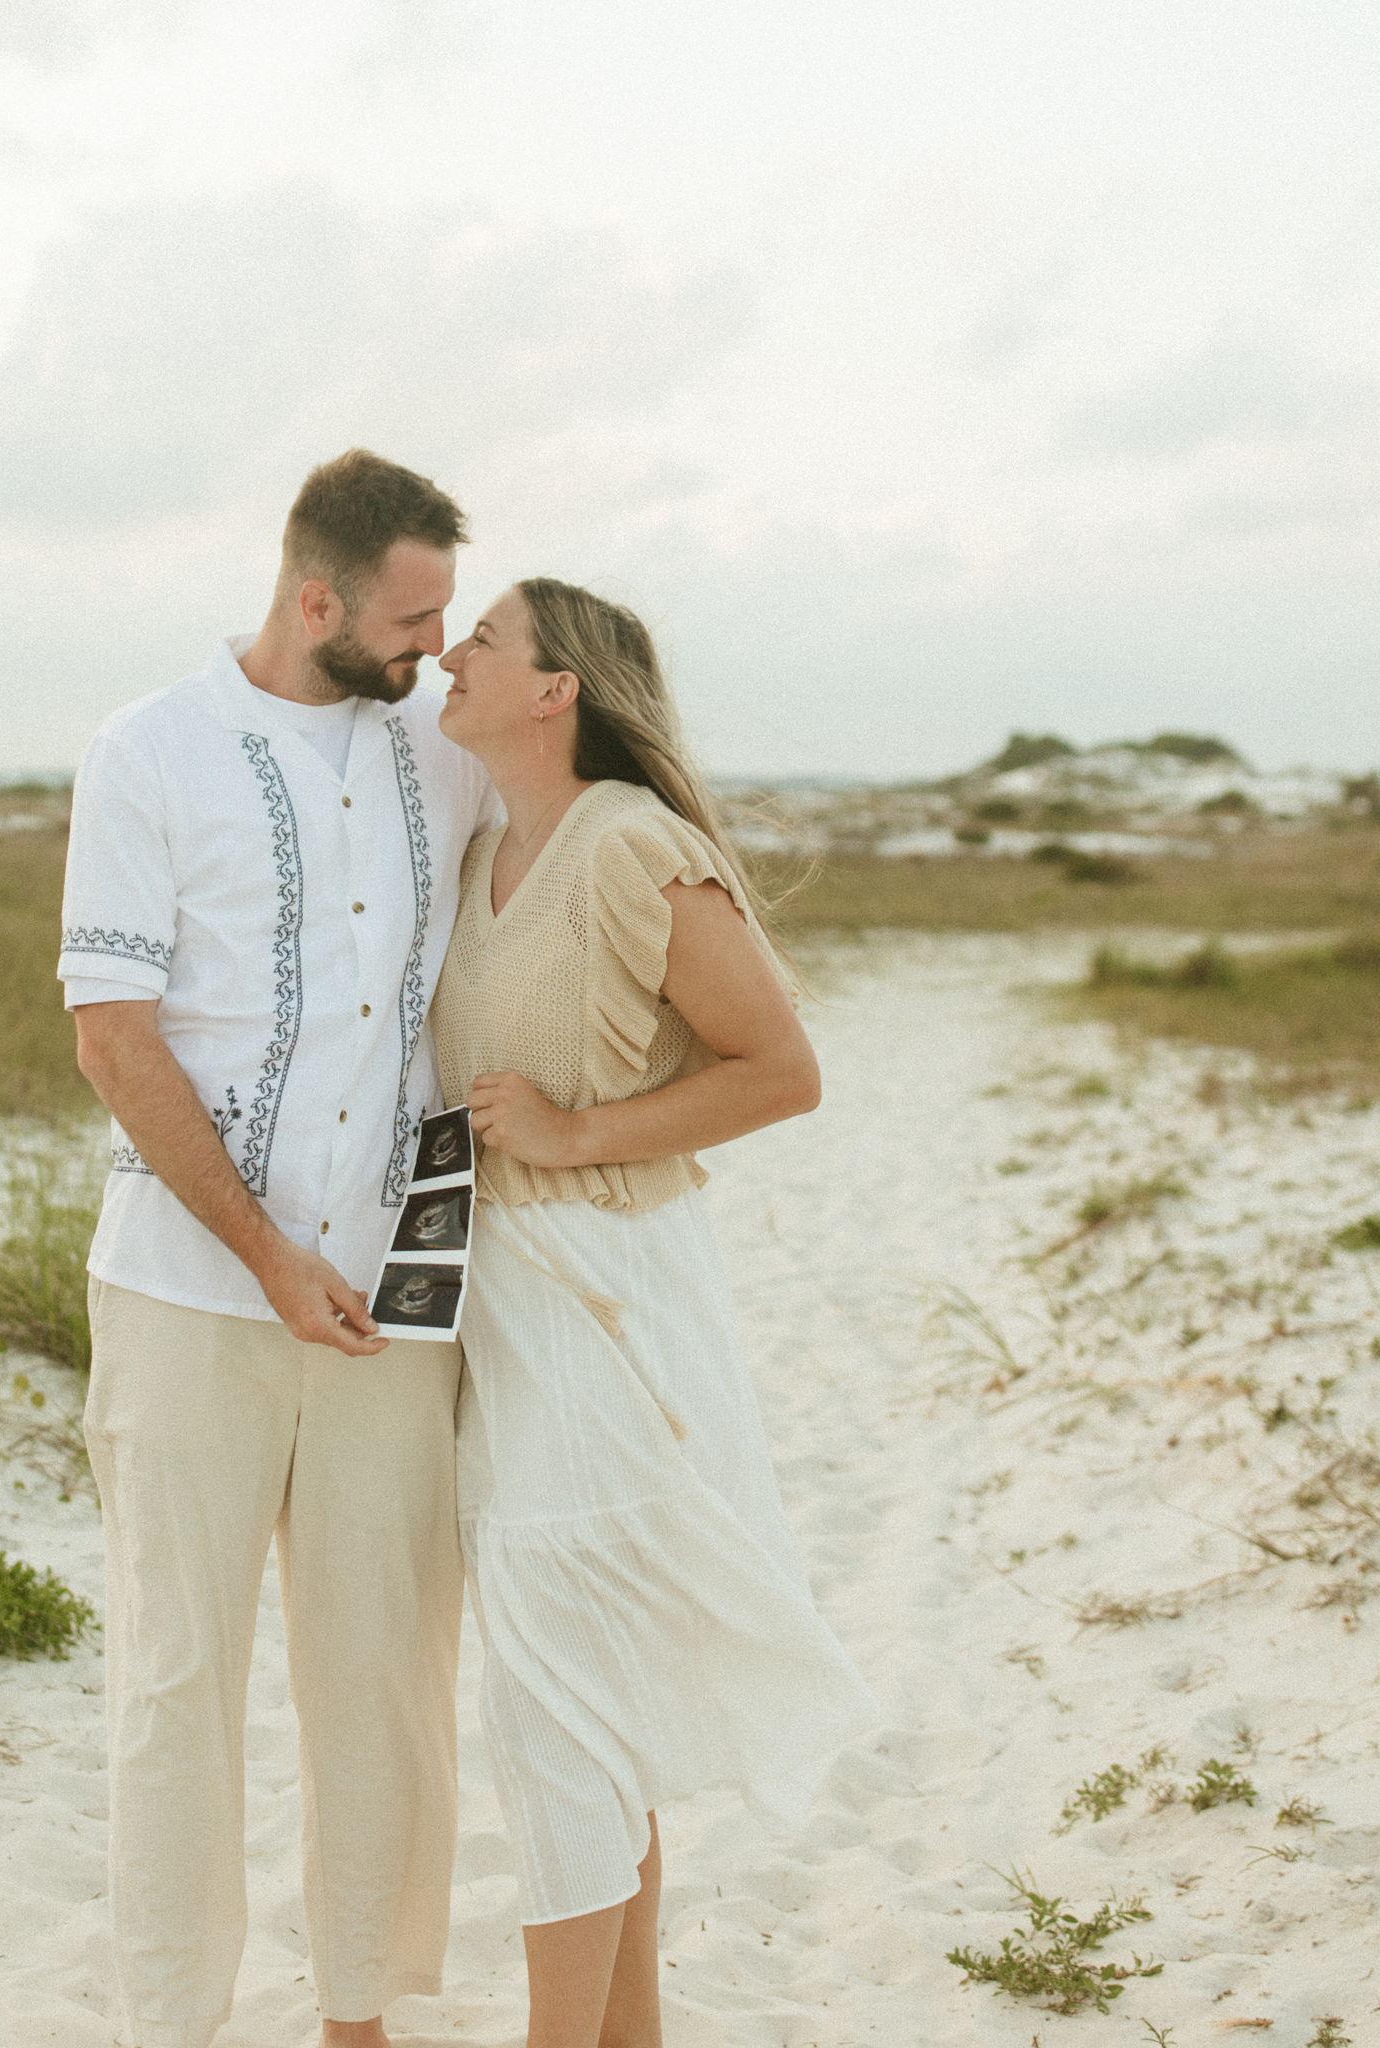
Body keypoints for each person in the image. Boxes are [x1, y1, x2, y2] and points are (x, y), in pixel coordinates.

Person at [60, 448, 502, 2048]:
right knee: (177, 1679)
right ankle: (172, 2024)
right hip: (187, 1294)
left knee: (383, 1675)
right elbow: (114, 1040)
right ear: (317, 600)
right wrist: (262, 1256)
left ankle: (357, 2017)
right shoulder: (149, 753)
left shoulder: (449, 757)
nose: (438, 649)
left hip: (400, 1303)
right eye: (412, 619)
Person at [427, 578, 884, 2048]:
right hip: (502, 1314)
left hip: (608, 1306)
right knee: (583, 1706)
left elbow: (784, 1069)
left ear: (556, 688)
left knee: (560, 1712)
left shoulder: (630, 845)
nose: (450, 654)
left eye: (484, 638)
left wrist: (573, 1135)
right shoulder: (487, 848)